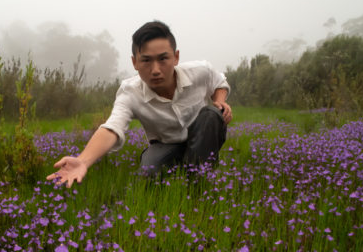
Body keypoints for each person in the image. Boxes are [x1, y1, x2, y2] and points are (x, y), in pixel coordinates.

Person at [47, 20, 232, 188]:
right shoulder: (130, 92)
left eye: (163, 59)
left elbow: (219, 82)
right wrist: (83, 161)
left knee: (210, 115)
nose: (155, 70)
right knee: (148, 174)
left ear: (176, 57)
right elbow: (112, 127)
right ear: (134, 62)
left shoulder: (200, 71)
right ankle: (184, 165)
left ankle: (198, 185)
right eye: (146, 60)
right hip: (165, 145)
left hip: (201, 138)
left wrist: (220, 101)